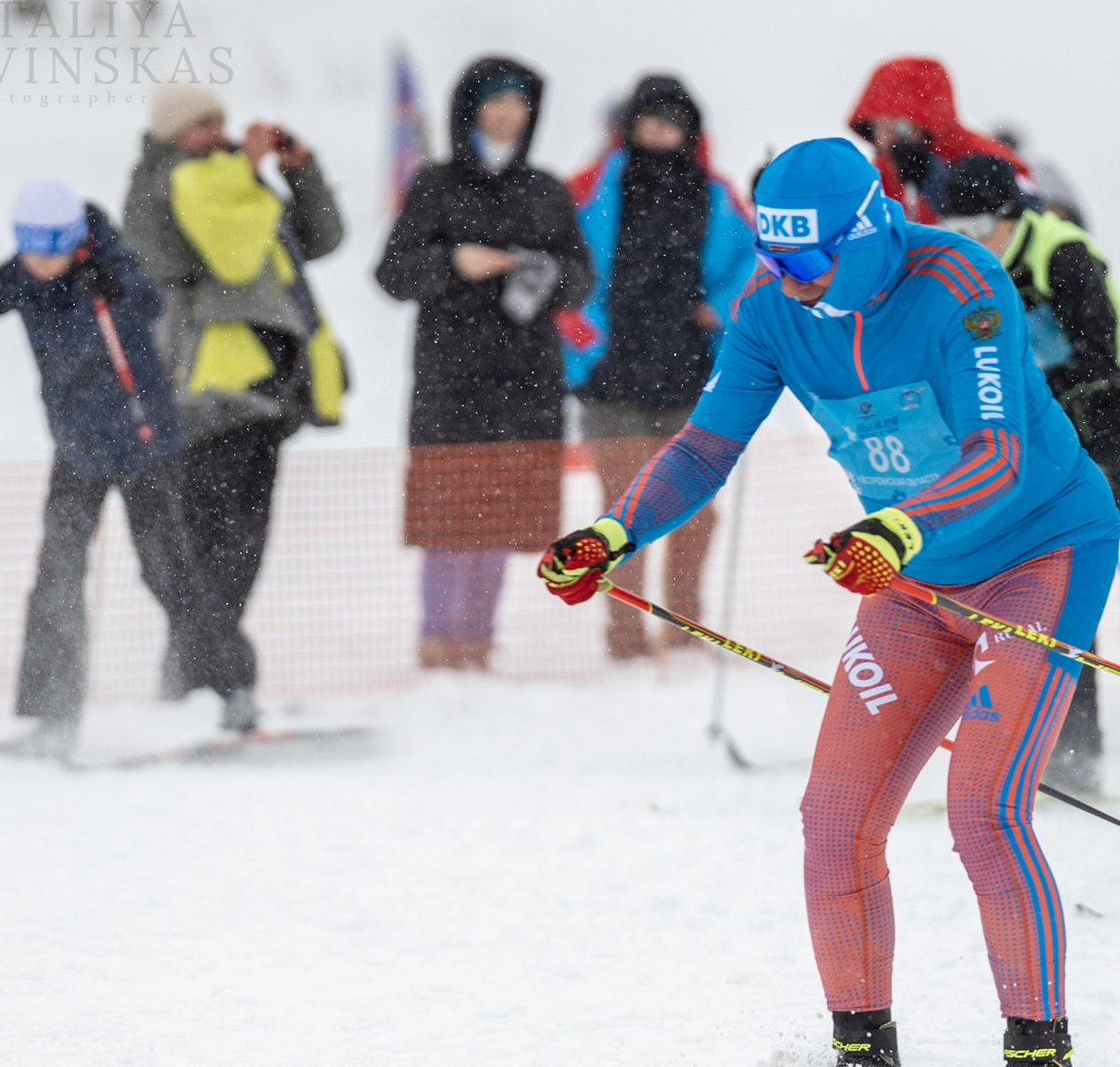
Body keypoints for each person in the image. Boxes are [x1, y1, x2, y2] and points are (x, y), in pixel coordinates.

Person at [535, 138, 1120, 1067]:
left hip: (1037, 556)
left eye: (808, 260)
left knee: (986, 813)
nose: (789, 279)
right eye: (773, 255)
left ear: (866, 232)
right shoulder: (771, 313)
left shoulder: (957, 284)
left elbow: (1000, 450)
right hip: (908, 575)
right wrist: (616, 532)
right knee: (834, 822)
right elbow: (709, 443)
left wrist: (899, 529)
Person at [0, 181, 251, 757]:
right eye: (30, 250)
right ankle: (53, 717)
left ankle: (235, 691)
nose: (40, 263)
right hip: (78, 451)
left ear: (75, 243)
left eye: (51, 250)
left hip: (144, 444)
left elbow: (146, 301)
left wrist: (114, 286)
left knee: (168, 572)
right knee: (57, 576)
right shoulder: (23, 277)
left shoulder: (110, 265)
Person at [936, 150, 1120, 794]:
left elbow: (1095, 359)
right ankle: (1033, 737)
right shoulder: (968, 273)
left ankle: (1073, 753)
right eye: (954, 229)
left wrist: (1027, 396)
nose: (968, 242)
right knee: (1025, 570)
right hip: (1060, 437)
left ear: (1011, 216)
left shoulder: (1061, 255)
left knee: (1063, 566)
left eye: (979, 228)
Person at [121, 82, 350, 721]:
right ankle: (215, 679)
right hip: (200, 391)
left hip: (263, 390)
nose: (216, 133)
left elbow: (316, 239)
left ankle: (195, 678)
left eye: (219, 121)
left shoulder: (223, 182)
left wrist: (302, 175)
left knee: (242, 545)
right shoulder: (174, 184)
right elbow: (226, 255)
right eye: (200, 124)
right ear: (170, 133)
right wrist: (243, 168)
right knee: (203, 543)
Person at [376, 56, 594, 671]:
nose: (508, 113)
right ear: (469, 108)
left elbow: (581, 281)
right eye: (496, 100)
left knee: (502, 513)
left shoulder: (547, 191)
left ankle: (477, 639)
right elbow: (391, 274)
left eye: (520, 102)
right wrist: (453, 263)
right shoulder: (434, 184)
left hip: (527, 377)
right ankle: (437, 638)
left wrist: (542, 273)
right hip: (450, 376)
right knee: (447, 511)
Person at [562, 74, 755, 660]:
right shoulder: (594, 187)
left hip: (687, 379)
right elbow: (566, 264)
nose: (659, 131)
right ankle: (624, 634)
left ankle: (685, 626)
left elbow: (753, 263)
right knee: (624, 511)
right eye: (650, 119)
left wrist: (718, 309)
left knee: (697, 511)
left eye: (672, 121)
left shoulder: (714, 194)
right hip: (611, 378)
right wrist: (586, 330)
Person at [846, 56, 1027, 223]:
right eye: (878, 127)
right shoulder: (882, 171)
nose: (885, 138)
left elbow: (1027, 212)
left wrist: (933, 179)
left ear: (926, 121)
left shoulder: (986, 158)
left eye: (897, 127)